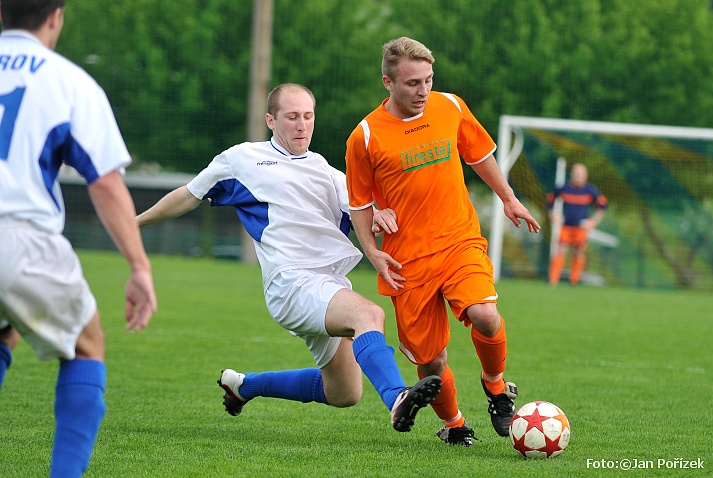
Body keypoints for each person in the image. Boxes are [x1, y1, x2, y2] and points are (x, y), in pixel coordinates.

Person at [136, 83, 441, 434]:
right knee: (369, 314)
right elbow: (188, 195)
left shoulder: (325, 170)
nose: (302, 125)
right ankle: (397, 397)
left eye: (308, 116)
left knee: (344, 392)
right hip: (290, 282)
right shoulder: (242, 159)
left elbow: (362, 211)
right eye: (292, 117)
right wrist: (135, 223)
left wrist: (379, 215)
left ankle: (244, 386)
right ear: (271, 120)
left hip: (328, 284)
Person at [345, 37, 541, 447]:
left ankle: (496, 387)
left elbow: (479, 154)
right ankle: (454, 425)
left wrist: (509, 198)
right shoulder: (364, 136)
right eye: (412, 83)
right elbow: (359, 203)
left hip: (458, 240)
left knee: (485, 315)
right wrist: (372, 252)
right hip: (407, 261)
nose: (423, 91)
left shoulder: (450, 106)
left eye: (428, 80)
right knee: (431, 361)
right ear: (388, 83)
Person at [0, 1, 158, 476]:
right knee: (87, 344)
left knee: (5, 330)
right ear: (56, 16)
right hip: (19, 236)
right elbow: (105, 183)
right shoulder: (68, 81)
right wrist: (139, 266)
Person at [546, 163, 608, 286]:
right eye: (576, 174)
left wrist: (593, 221)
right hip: (566, 226)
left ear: (585, 176)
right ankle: (553, 280)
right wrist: (553, 214)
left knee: (579, 252)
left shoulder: (590, 190)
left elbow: (602, 206)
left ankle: (574, 280)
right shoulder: (564, 188)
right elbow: (549, 199)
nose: (578, 177)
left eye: (581, 175)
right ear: (572, 175)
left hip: (581, 227)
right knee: (561, 250)